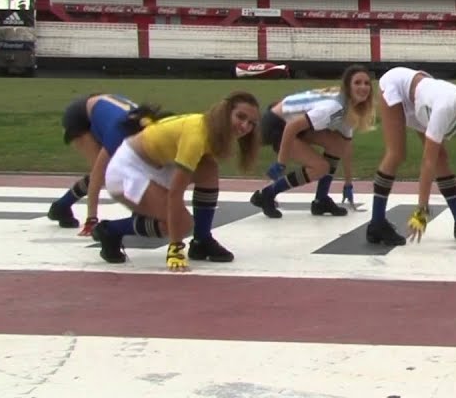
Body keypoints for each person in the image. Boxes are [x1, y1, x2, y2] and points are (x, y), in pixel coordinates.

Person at [91, 91, 261, 271]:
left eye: (251, 123)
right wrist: (175, 249)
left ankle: (201, 240)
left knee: (208, 168)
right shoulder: (197, 135)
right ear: (226, 112)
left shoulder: (210, 128)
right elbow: (175, 194)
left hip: (157, 166)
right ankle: (110, 230)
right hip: (126, 171)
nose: (244, 126)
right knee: (182, 224)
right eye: (240, 117)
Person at [365, 65, 456, 246]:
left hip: (423, 102)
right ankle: (376, 223)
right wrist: (422, 209)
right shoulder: (447, 107)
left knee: (442, 158)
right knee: (396, 153)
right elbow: (428, 162)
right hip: (398, 86)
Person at [250, 65, 376, 219]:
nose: (363, 87)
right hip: (278, 124)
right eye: (357, 83)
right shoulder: (335, 108)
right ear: (348, 86)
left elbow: (345, 145)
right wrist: (280, 163)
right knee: (320, 167)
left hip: (294, 121)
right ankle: (267, 194)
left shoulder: (348, 106)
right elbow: (291, 127)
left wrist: (348, 183)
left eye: (366, 83)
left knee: (336, 145)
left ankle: (320, 200)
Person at [52, 93, 171, 235]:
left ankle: (61, 206)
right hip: (81, 117)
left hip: (104, 109)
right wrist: (92, 218)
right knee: (104, 171)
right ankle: (62, 206)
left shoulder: (148, 128)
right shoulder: (119, 134)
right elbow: (97, 175)